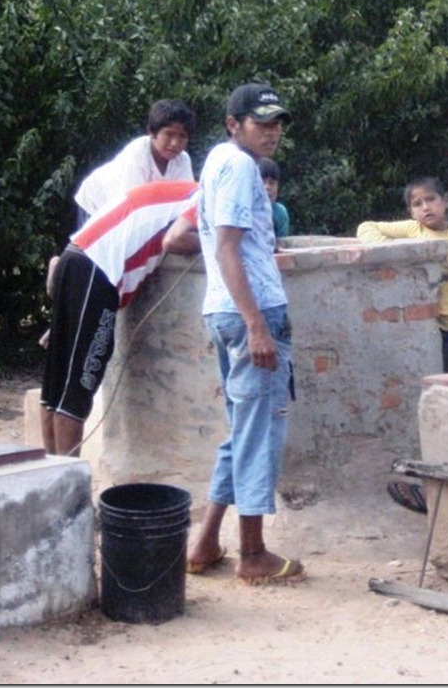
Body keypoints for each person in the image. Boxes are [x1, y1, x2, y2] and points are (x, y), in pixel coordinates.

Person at [185, 83, 306, 586]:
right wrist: (257, 325)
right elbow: (228, 249)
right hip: (250, 312)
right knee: (260, 431)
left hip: (224, 311)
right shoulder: (238, 167)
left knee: (242, 429)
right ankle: (252, 552)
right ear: (234, 124)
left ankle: (206, 541)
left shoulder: (216, 162)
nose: (273, 132)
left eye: (277, 123)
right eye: (262, 123)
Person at [39, 180, 201, 458]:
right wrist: (221, 240)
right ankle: (68, 490)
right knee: (78, 386)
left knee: (55, 387)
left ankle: (52, 478)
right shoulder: (209, 197)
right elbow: (175, 240)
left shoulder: (185, 190)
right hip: (98, 270)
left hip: (76, 256)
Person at [357, 176, 448, 373]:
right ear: (410, 212)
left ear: (446, 201)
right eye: (417, 204)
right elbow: (366, 227)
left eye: (431, 199)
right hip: (419, 318)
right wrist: (394, 250)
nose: (426, 207)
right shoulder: (412, 229)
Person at [74, 99, 197, 226]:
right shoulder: (138, 152)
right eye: (169, 134)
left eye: (182, 136)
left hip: (133, 212)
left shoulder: (183, 160)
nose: (175, 143)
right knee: (94, 245)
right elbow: (133, 204)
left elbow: (187, 202)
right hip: (97, 203)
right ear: (152, 132)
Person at [258, 158, 291, 239]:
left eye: (272, 183)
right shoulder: (244, 211)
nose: (267, 187)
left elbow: (282, 243)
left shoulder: (280, 213)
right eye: (262, 182)